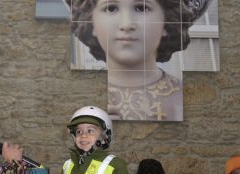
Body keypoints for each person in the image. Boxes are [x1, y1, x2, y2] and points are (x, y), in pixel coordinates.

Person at [68, 0, 211, 121]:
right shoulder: (77, 96)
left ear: (166, 22)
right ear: (91, 22)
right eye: (111, 8)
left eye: (141, 8)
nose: (126, 24)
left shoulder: (185, 101)